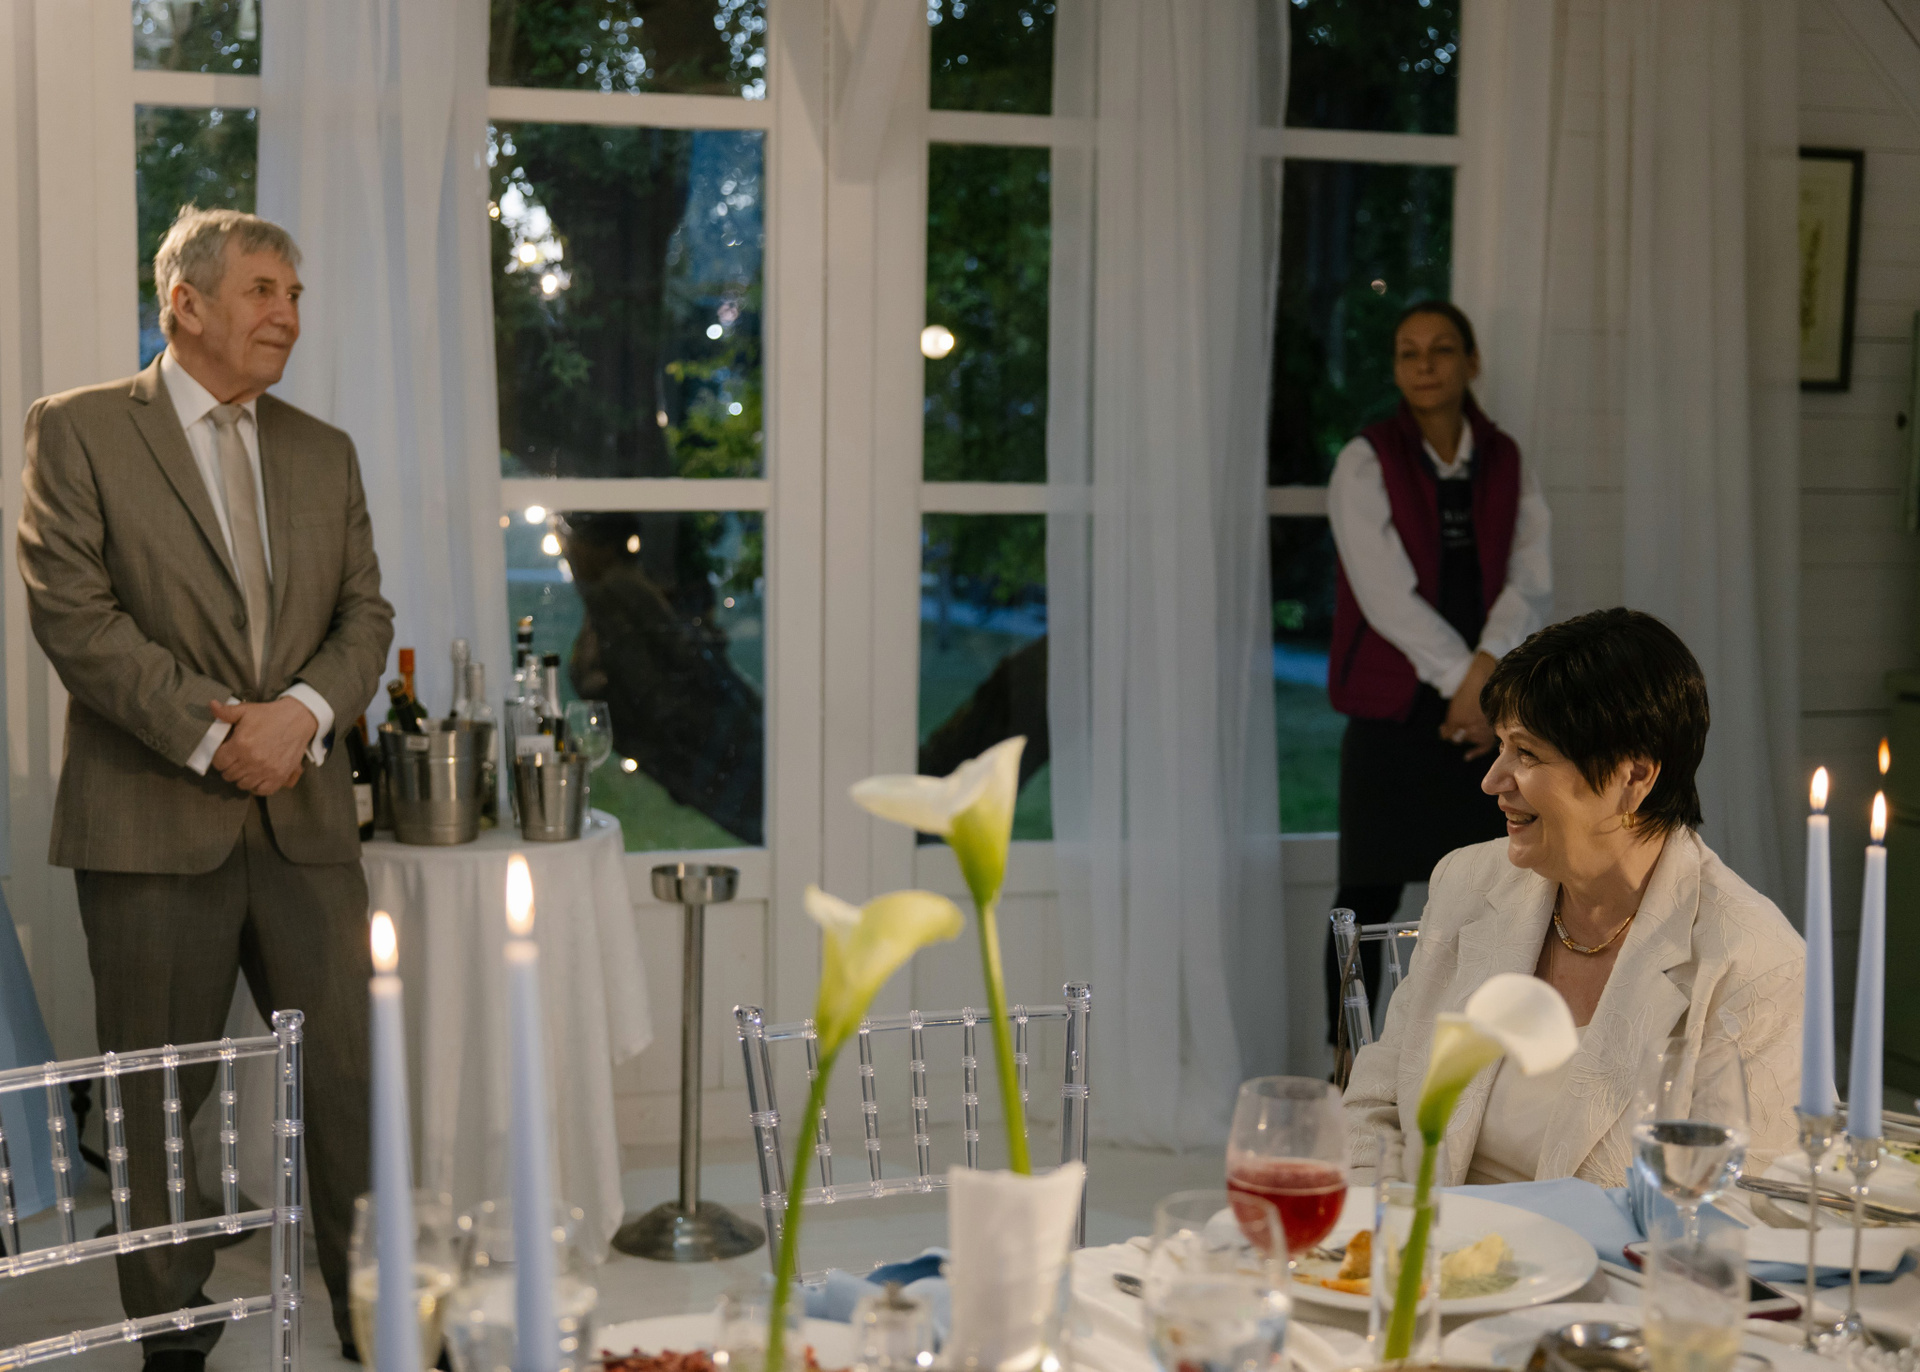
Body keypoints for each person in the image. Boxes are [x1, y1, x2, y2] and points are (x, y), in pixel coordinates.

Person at [17, 206, 392, 1372]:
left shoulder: (325, 450)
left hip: (307, 823)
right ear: (184, 302)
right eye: (264, 291)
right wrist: (215, 737)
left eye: (295, 294)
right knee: (153, 1101)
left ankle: (378, 1318)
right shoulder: (78, 430)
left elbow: (364, 614)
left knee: (349, 1087)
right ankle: (171, 1336)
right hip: (148, 818)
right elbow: (74, 613)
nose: (288, 314)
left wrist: (306, 715)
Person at [1342, 609, 1804, 1185]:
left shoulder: (1752, 961)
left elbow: (1746, 1197)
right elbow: (1374, 1106)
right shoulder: (1467, 881)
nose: (1492, 780)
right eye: (1501, 745)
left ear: (1634, 776)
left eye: (1527, 754)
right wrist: (1386, 1225)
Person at [1323, 301, 1552, 1044]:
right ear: (1396, 368)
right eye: (1408, 352)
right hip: (1393, 712)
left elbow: (1530, 579)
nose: (1424, 365)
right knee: (1364, 897)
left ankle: (1471, 1062)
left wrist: (1485, 680)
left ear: (1471, 361)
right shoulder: (1365, 460)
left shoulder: (1507, 460)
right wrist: (1466, 681)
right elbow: (1383, 592)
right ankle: (1347, 1069)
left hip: (1484, 714)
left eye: (1442, 349)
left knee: (1493, 895)